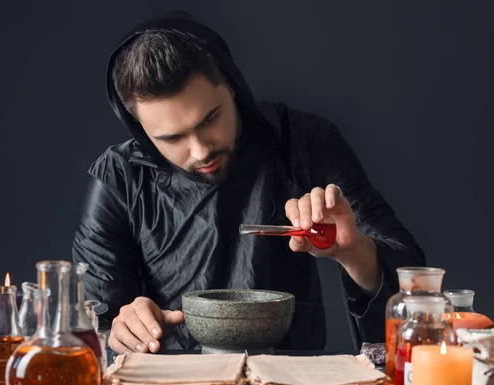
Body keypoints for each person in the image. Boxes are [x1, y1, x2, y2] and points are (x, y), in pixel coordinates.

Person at [72, 10, 425, 355]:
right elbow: (93, 326)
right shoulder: (118, 178)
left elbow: (416, 284)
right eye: (171, 138)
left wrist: (353, 250)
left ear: (232, 84)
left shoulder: (305, 141)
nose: (201, 150)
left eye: (210, 118)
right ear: (142, 131)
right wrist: (119, 328)